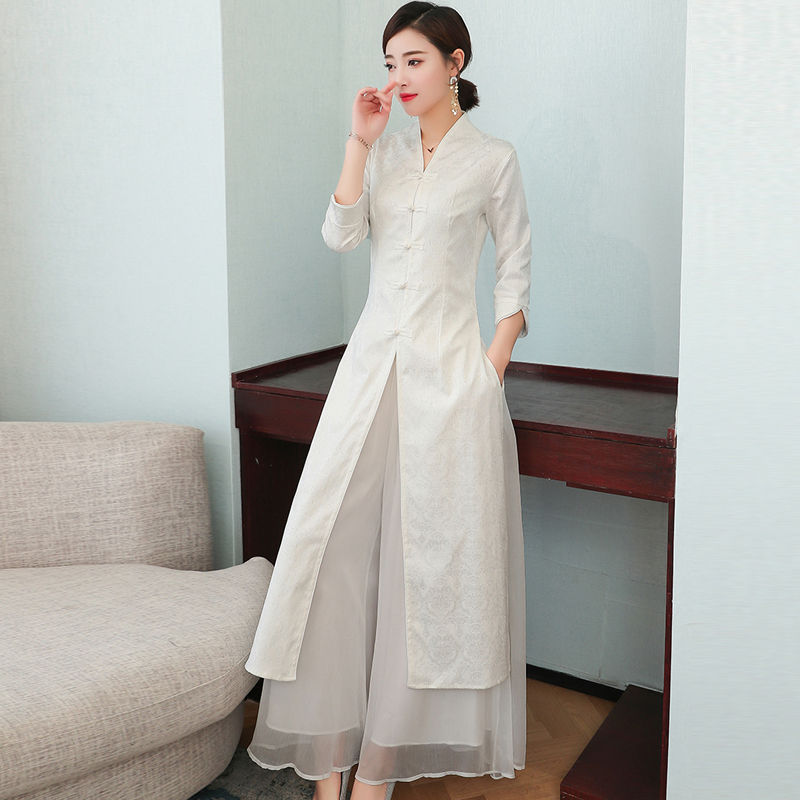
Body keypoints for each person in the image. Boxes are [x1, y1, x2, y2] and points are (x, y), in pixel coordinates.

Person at [244, 3, 531, 799]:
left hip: (450, 386)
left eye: (414, 61)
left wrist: (492, 367)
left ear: (455, 63)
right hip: (368, 374)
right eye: (391, 63)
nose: (398, 78)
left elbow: (515, 270)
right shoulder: (386, 153)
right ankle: (329, 766)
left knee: (426, 573)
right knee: (333, 558)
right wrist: (359, 142)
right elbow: (340, 235)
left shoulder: (494, 160)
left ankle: (376, 773)